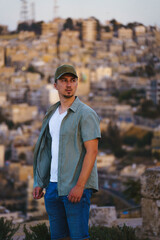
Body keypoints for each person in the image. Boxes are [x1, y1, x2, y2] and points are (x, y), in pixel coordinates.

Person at [33, 64, 101, 240]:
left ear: (77, 84)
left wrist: (79, 186)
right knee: (58, 237)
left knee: (79, 237)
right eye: (64, 80)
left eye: (72, 80)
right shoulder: (51, 114)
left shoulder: (86, 114)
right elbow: (48, 151)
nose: (68, 84)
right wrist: (40, 182)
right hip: (53, 187)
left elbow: (92, 152)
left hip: (75, 186)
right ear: (55, 85)